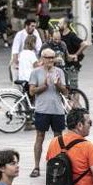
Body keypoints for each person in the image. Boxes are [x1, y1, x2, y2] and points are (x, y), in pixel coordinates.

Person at [29, 49, 67, 178]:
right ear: (42, 58)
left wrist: (58, 85)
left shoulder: (59, 72)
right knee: (40, 137)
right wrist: (43, 86)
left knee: (58, 139)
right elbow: (31, 92)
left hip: (57, 110)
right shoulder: (36, 72)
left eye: (52, 57)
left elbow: (65, 92)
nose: (51, 60)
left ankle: (57, 165)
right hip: (42, 109)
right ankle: (36, 167)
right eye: (48, 57)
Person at [59, 19, 89, 89]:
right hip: (64, 65)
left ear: (65, 25)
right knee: (66, 87)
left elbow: (85, 44)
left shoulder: (71, 35)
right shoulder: (60, 35)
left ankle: (75, 100)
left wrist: (75, 54)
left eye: (60, 23)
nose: (58, 25)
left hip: (72, 66)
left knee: (74, 88)